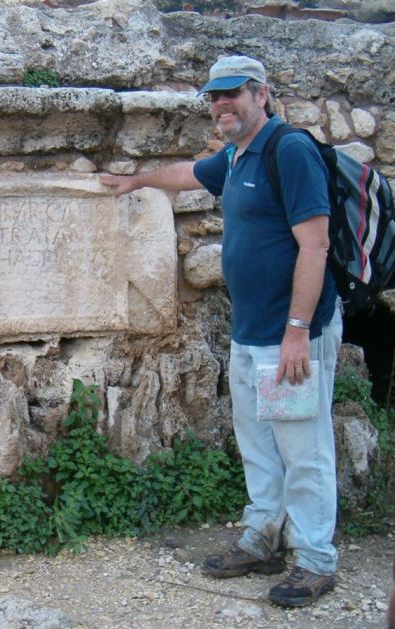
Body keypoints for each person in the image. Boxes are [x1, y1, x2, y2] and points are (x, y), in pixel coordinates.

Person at [101, 55, 342, 608]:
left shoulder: (291, 150)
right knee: (258, 442)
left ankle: (314, 560)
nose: (221, 105)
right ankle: (263, 537)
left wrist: (298, 331)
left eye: (232, 93)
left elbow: (315, 245)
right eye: (213, 97)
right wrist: (137, 179)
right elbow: (189, 173)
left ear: (261, 94)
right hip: (251, 330)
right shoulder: (235, 155)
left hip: (291, 332)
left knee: (303, 447)